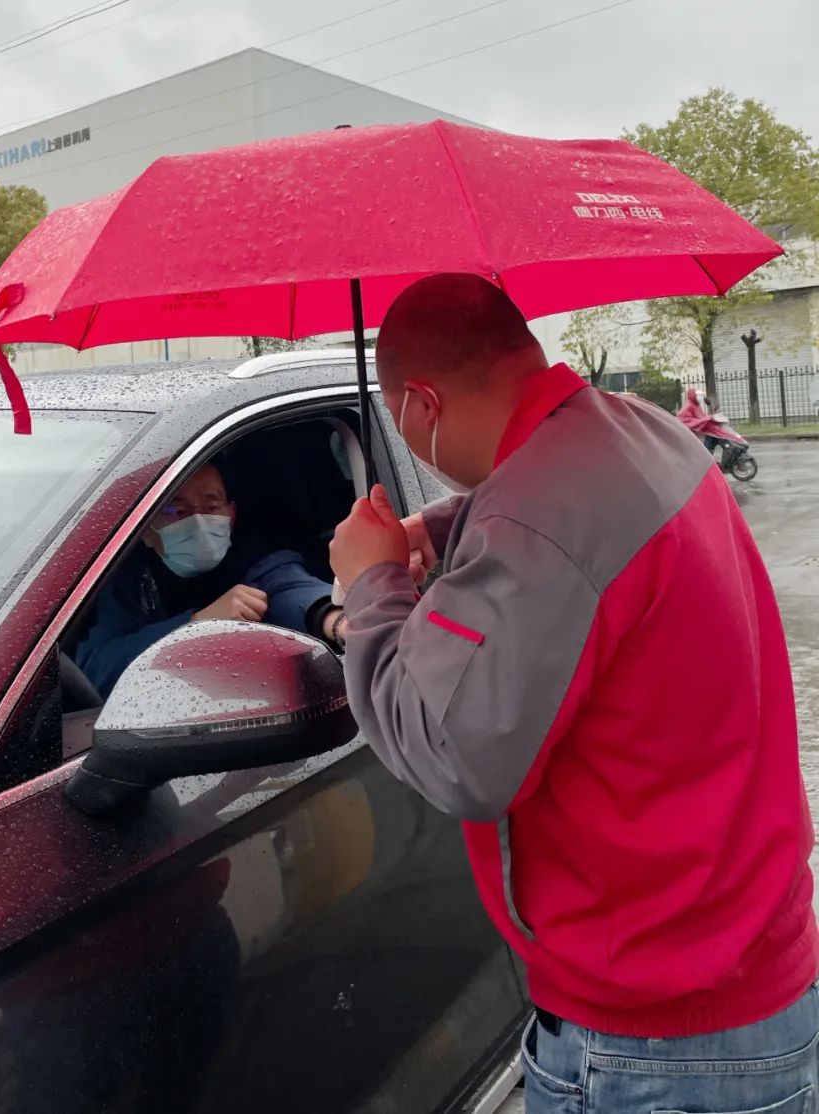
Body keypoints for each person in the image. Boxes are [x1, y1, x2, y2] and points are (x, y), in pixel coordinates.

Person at [328, 273, 819, 1113]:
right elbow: (564, 528)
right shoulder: (641, 432)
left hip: (654, 1044)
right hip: (752, 971)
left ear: (420, 403)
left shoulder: (536, 520)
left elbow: (452, 757)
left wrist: (371, 586)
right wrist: (441, 528)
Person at [76, 462, 347, 698]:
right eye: (177, 511)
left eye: (211, 507)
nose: (199, 521)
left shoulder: (251, 554)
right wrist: (195, 626)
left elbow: (290, 588)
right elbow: (96, 671)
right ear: (146, 529)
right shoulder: (123, 576)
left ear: (231, 516)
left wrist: (338, 622)